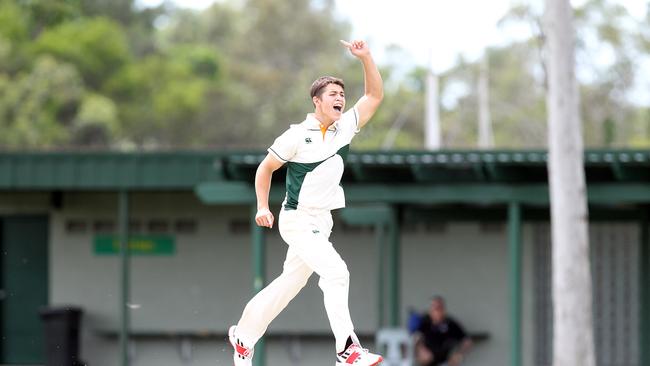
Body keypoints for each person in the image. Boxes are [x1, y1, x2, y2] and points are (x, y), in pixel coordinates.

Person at [228, 39, 384, 366]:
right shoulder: (298, 135)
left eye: (342, 94)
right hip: (297, 219)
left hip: (321, 222)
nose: (340, 98)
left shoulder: (344, 129)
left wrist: (366, 57)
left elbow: (373, 96)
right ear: (317, 101)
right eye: (333, 94)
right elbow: (265, 168)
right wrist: (261, 206)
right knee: (337, 273)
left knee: (290, 283)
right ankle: (347, 349)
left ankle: (244, 336)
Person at [414, 296, 473, 366]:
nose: (437, 311)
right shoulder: (424, 322)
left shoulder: (450, 323)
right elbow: (415, 338)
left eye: (440, 308)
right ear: (430, 310)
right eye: (435, 308)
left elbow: (467, 341)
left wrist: (459, 354)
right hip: (427, 361)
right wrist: (420, 350)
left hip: (445, 361)